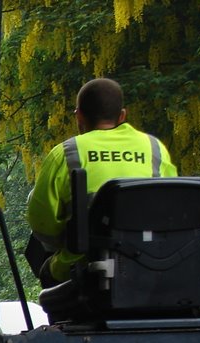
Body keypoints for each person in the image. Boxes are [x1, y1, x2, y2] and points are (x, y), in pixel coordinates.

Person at [26, 77, 178, 286]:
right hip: (148, 261)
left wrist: (66, 240)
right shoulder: (155, 148)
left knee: (42, 260)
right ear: (122, 115)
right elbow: (172, 209)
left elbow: (41, 224)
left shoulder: (65, 153)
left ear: (78, 116)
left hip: (86, 267)